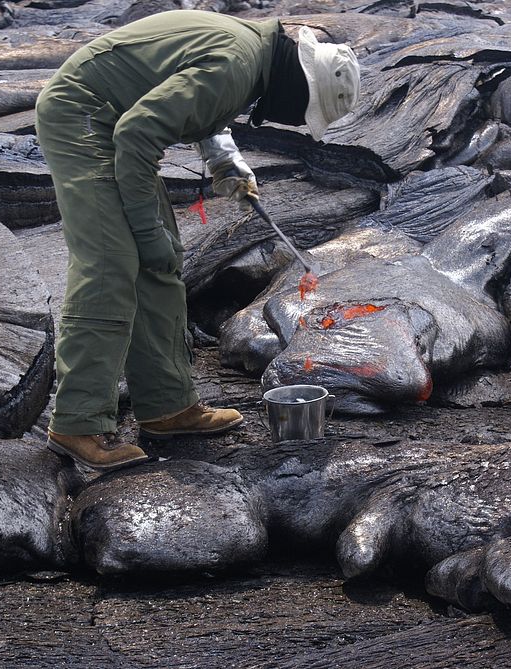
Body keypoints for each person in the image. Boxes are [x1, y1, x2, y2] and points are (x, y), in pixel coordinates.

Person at [35, 9, 361, 471]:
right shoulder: (239, 62)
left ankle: (168, 407)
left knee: (161, 262)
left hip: (117, 122)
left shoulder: (252, 54)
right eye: (304, 111)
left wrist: (225, 161)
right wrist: (148, 234)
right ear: (298, 87)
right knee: (112, 262)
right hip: (84, 116)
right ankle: (77, 422)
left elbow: (197, 103)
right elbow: (137, 133)